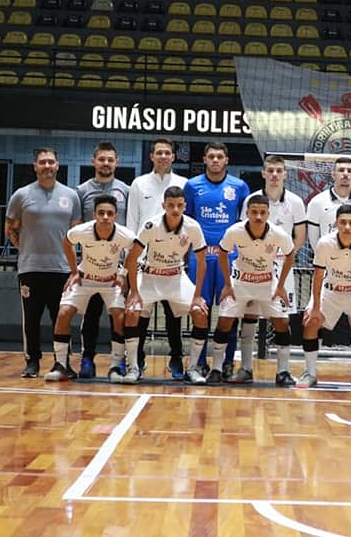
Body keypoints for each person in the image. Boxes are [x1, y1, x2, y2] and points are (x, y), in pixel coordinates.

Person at [4, 147, 81, 377]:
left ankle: (62, 362)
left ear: (58, 165)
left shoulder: (71, 196)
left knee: (62, 317)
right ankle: (32, 361)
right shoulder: (21, 195)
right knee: (31, 318)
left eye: (51, 162)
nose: (47, 166)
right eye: (43, 162)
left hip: (62, 269)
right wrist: (25, 249)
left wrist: (71, 263)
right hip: (30, 269)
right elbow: (10, 228)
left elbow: (75, 232)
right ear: (35, 166)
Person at [44, 195, 136, 383]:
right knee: (63, 313)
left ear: (115, 216)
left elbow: (135, 249)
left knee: (119, 316)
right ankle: (61, 365)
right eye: (101, 213)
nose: (105, 217)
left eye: (109, 213)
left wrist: (123, 273)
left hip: (111, 281)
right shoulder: (83, 231)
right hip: (85, 278)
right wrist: (73, 271)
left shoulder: (124, 234)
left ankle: (116, 366)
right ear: (94, 214)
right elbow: (67, 241)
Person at [123, 186, 209, 384]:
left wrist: (197, 295)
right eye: (171, 205)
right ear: (163, 205)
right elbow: (132, 258)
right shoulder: (151, 225)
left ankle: (193, 368)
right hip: (150, 276)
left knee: (200, 312)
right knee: (132, 311)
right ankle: (133, 367)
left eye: (179, 205)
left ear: (185, 206)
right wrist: (134, 292)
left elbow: (202, 261)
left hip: (176, 277)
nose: (175, 210)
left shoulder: (193, 227)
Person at [209, 194, 296, 386]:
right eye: (254, 212)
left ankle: (283, 371)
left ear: (268, 213)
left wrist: (281, 286)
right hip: (240, 282)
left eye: (262, 212)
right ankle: (216, 369)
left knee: (282, 322)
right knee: (224, 322)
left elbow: (290, 255)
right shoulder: (235, 231)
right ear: (247, 213)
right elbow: (222, 253)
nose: (258, 216)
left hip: (267, 283)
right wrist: (227, 284)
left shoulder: (279, 233)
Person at [305, 156, 351, 384]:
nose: (345, 174)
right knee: (310, 320)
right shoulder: (318, 205)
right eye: (341, 170)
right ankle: (310, 373)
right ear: (333, 174)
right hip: (330, 282)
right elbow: (315, 245)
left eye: (349, 170)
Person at [300, 204, 351, 389]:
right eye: (343, 222)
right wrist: (314, 308)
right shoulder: (324, 243)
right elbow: (318, 275)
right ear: (335, 223)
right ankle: (310, 373)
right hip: (330, 291)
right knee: (311, 322)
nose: (347, 227)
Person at [184, 142, 250, 377]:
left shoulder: (239, 187)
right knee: (200, 308)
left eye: (219, 156)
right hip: (200, 257)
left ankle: (227, 361)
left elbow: (245, 224)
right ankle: (199, 362)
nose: (215, 160)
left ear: (226, 160)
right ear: (204, 159)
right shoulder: (191, 186)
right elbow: (187, 222)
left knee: (228, 310)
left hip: (229, 257)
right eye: (211, 156)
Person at [125, 137, 188, 380]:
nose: (163, 156)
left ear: (173, 156)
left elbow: (187, 223)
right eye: (159, 152)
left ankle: (176, 359)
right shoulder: (139, 184)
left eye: (167, 153)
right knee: (141, 311)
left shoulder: (183, 183)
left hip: (173, 260)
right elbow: (132, 222)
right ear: (151, 156)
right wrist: (127, 261)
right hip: (144, 262)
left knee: (174, 314)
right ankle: (137, 358)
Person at [74, 141, 130, 379]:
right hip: (90, 265)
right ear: (93, 161)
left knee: (119, 314)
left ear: (117, 162)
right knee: (91, 315)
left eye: (110, 159)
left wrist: (127, 269)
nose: (106, 163)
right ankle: (87, 359)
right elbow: (75, 229)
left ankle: (119, 361)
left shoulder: (126, 190)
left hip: (118, 266)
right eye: (102, 159)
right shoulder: (81, 191)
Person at [240, 154, 306, 316]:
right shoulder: (251, 200)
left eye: (279, 171)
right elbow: (243, 234)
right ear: (263, 173)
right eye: (270, 170)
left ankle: (281, 342)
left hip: (283, 264)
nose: (274, 175)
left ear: (285, 174)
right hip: (255, 264)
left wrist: (287, 255)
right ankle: (248, 342)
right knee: (252, 310)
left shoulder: (296, 202)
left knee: (282, 313)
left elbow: (300, 236)